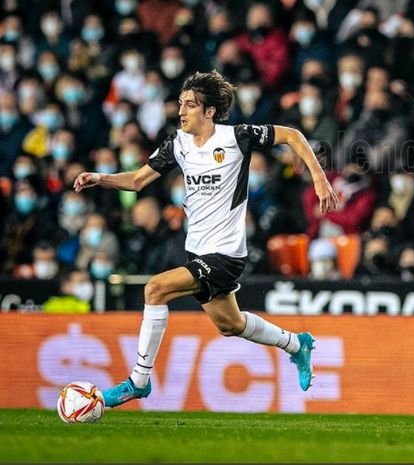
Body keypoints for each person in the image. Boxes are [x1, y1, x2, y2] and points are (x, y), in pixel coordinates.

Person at [74, 70, 338, 408]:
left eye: (190, 105)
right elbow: (139, 180)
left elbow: (292, 135)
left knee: (155, 289)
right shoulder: (178, 144)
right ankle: (296, 344)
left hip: (225, 255)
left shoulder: (237, 137)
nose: (181, 111)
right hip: (197, 251)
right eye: (181, 104)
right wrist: (101, 177)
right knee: (231, 324)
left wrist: (319, 178)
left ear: (210, 111)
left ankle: (138, 381)